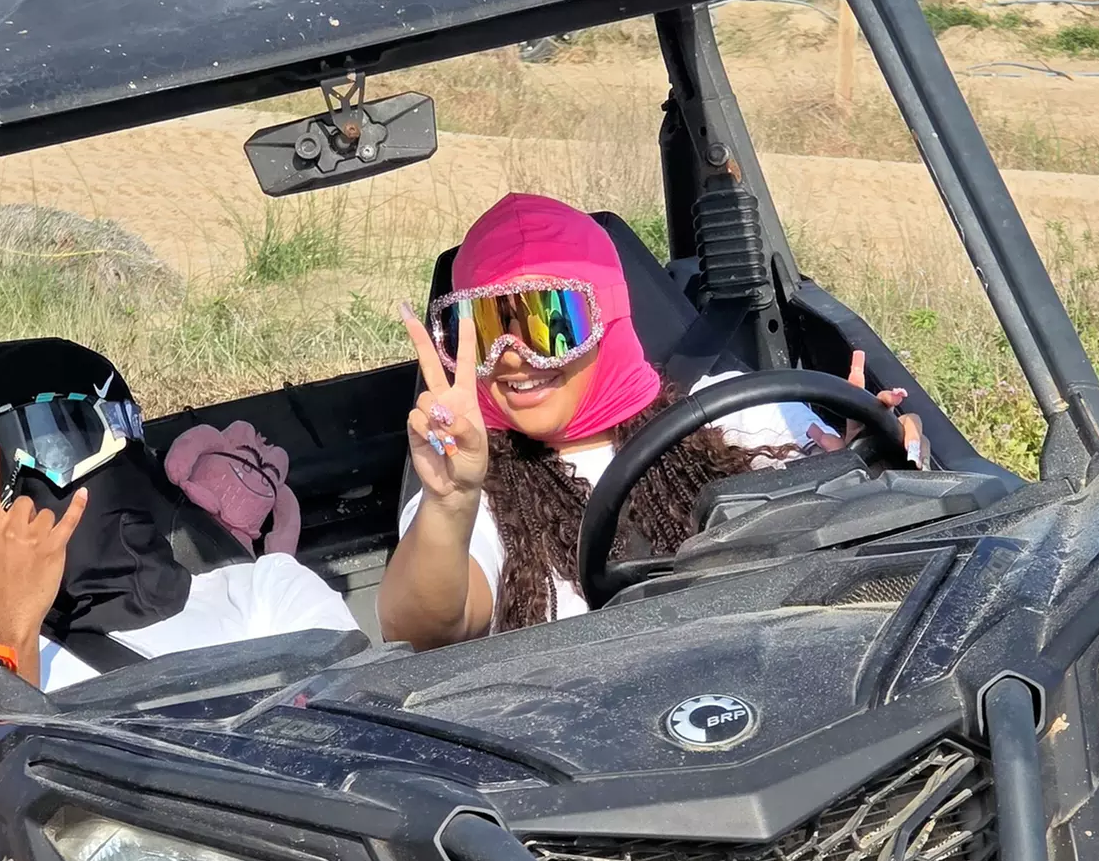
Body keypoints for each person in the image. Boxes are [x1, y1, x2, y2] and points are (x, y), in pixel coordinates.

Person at [377, 193, 920, 650]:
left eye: (550, 324)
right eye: (490, 326)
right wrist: (449, 503)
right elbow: (420, 631)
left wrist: (862, 472)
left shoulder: (740, 411)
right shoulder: (467, 480)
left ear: (607, 316)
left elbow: (864, 561)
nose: (514, 355)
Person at [0, 338, 359, 691]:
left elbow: (369, 734)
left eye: (64, 442)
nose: (29, 483)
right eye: (1, 463)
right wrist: (8, 632)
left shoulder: (267, 590)